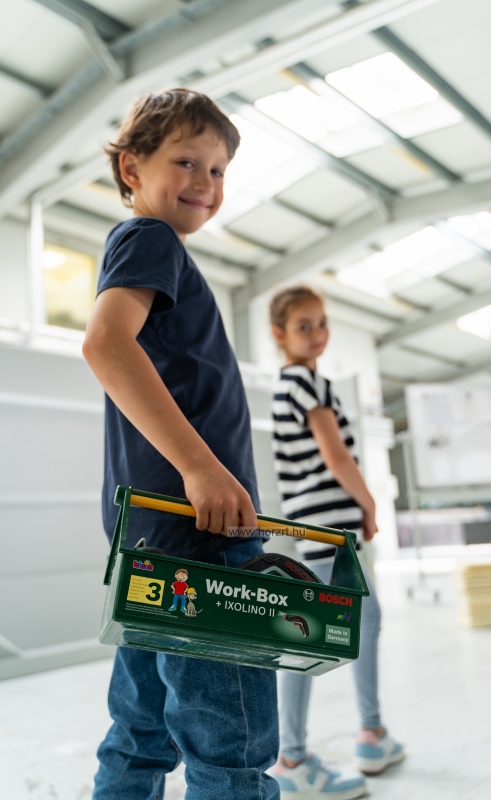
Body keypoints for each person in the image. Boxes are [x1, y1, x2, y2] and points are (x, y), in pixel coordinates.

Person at [83, 88, 279, 800]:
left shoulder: (153, 253)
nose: (206, 182)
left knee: (140, 736)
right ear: (132, 167)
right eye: (187, 162)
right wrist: (200, 466)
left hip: (152, 542)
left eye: (218, 170)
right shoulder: (151, 239)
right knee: (231, 747)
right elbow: (105, 344)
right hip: (199, 540)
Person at [268, 286, 404, 799]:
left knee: (313, 630)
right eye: (303, 326)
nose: (317, 334)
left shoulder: (289, 385)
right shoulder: (308, 384)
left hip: (314, 524)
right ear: (279, 334)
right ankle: (321, 748)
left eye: (322, 323)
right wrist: (369, 503)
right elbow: (337, 457)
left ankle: (354, 737)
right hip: (328, 523)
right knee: (316, 632)